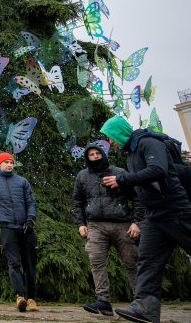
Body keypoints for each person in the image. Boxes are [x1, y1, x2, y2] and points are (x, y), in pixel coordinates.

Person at [99, 116, 191, 323]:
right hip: (154, 216)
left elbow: (158, 170)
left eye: (111, 137)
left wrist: (122, 178)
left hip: (175, 209)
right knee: (148, 260)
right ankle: (145, 308)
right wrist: (121, 186)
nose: (110, 142)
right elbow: (142, 181)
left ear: (120, 132)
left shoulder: (148, 143)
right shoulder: (131, 153)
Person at [72, 142, 143, 316]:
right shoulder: (82, 176)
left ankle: (141, 302)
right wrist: (81, 223)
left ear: (103, 154)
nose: (95, 156)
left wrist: (136, 222)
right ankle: (103, 302)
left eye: (98, 153)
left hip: (123, 225)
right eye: (91, 154)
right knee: (96, 262)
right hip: (95, 225)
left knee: (131, 263)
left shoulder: (120, 173)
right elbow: (77, 202)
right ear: (87, 157)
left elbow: (138, 198)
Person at [0, 152, 39, 312]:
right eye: (6, 162)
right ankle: (19, 297)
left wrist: (30, 220)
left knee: (30, 264)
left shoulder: (22, 181)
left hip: (26, 228)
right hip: (7, 228)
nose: (10, 165)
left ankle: (32, 299)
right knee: (14, 263)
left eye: (12, 162)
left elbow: (31, 202)